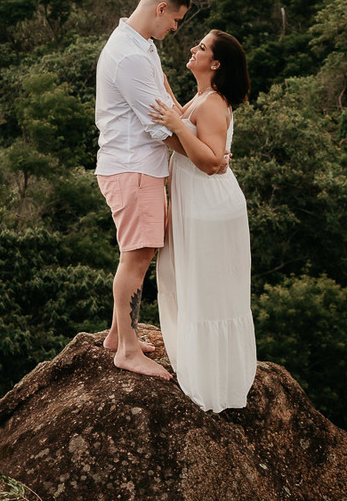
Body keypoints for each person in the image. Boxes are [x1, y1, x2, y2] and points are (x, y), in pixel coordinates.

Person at [150, 29, 257, 412]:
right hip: (196, 202)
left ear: (215, 63)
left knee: (207, 291)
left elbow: (211, 162)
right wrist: (170, 105)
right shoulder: (201, 99)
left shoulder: (211, 103)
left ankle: (214, 384)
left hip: (209, 207)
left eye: (202, 47)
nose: (193, 49)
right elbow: (187, 142)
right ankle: (204, 372)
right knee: (193, 285)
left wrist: (176, 124)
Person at [94, 0, 191, 380]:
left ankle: (120, 334)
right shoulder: (128, 55)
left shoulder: (142, 45)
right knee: (137, 257)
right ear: (161, 8)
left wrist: (186, 118)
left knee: (138, 252)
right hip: (132, 168)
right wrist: (204, 157)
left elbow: (165, 99)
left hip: (138, 168)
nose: (176, 30)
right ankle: (128, 352)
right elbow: (156, 125)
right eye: (177, 21)